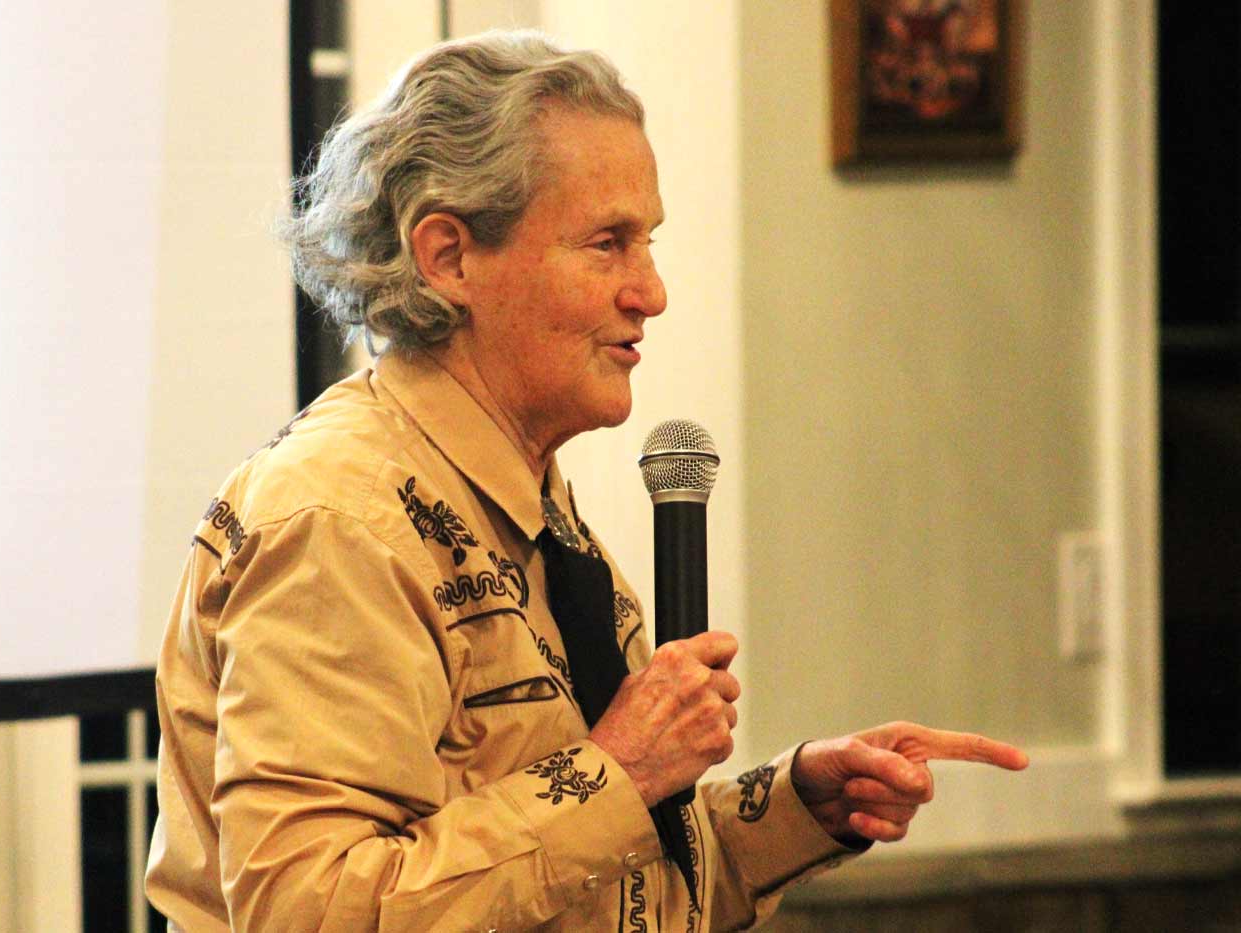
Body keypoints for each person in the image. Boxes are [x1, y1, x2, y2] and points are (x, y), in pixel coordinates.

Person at [145, 30, 1028, 932]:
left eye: (648, 242)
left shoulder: (524, 503)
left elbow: (605, 877)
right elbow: (307, 909)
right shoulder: (342, 519)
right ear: (449, 258)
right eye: (608, 243)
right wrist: (619, 772)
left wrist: (799, 804)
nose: (651, 291)